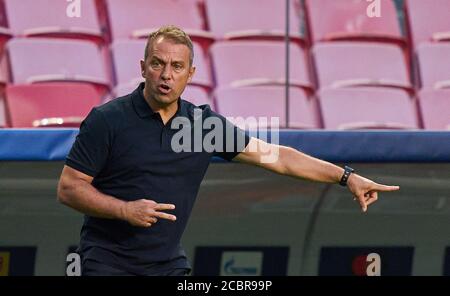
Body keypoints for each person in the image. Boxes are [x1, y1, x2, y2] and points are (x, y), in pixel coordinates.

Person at [57, 25, 400, 276]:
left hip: (166, 264)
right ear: (142, 67)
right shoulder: (108, 120)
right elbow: (69, 188)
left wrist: (346, 177)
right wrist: (124, 210)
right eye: (158, 64)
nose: (166, 75)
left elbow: (277, 157)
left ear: (190, 75)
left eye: (177, 67)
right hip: (108, 262)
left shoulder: (202, 127)